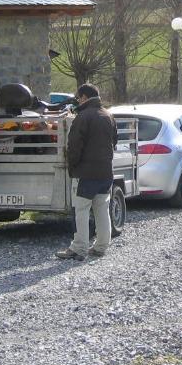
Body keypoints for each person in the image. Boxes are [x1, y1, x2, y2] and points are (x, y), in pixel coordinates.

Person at [56, 83, 117, 260]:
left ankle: (79, 248)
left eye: (78, 98)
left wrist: (73, 167)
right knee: (102, 209)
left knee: (81, 210)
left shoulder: (82, 117)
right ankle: (101, 246)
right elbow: (114, 141)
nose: (76, 101)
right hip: (106, 171)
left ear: (83, 97)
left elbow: (74, 147)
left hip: (85, 172)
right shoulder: (108, 115)